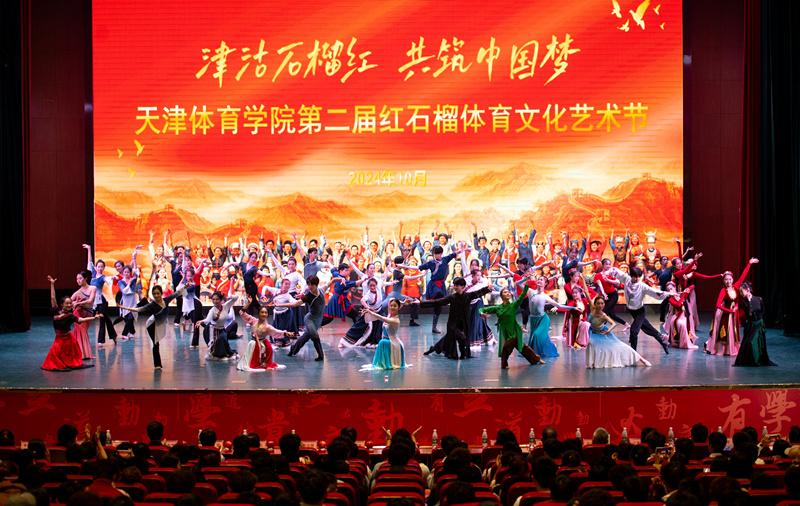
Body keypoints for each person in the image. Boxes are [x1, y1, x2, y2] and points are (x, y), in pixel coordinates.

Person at [581, 276, 651, 368]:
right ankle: (594, 362)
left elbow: (614, 323)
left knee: (619, 345)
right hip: (593, 332)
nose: (600, 305)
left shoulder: (603, 315)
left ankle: (642, 359)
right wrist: (582, 278)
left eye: (602, 303)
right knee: (591, 344)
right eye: (598, 303)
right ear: (595, 304)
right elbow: (586, 292)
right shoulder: (592, 308)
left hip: (603, 332)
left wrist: (608, 331)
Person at [119, 279, 186, 370]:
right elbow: (139, 309)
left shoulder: (166, 300)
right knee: (156, 343)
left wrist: (186, 286)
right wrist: (125, 308)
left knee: (157, 341)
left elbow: (177, 293)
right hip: (151, 324)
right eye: (154, 294)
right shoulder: (152, 304)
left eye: (158, 293)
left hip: (160, 322)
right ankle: (157, 365)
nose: (156, 295)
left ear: (161, 293)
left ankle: (142, 296)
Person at [422, 278, 491, 359]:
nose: (455, 287)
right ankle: (463, 354)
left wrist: (487, 289)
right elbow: (437, 302)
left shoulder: (467, 296)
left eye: (457, 285)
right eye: (454, 285)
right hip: (453, 324)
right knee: (461, 338)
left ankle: (434, 348)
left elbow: (478, 292)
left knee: (448, 337)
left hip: (463, 323)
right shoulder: (452, 297)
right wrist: (420, 303)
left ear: (462, 286)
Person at [42, 275, 101, 371]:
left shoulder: (70, 316)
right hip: (59, 339)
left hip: (68, 339)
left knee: (73, 351)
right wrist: (52, 284)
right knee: (54, 357)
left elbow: (81, 320)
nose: (69, 305)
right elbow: (53, 297)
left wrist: (93, 317)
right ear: (62, 304)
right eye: (67, 303)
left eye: (70, 303)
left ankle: (73, 363)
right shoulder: (56, 312)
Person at [480, 283, 545, 369]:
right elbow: (482, 309)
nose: (507, 293)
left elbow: (522, 296)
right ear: (501, 296)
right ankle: (536, 359)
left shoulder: (513, 305)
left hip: (514, 331)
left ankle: (504, 364)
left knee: (506, 347)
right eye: (505, 292)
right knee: (523, 348)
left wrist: (527, 283)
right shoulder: (498, 308)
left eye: (508, 292)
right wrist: (481, 313)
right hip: (505, 332)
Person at [611, 266, 674, 353]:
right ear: (631, 276)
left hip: (640, 311)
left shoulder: (642, 286)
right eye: (636, 277)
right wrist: (607, 271)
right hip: (632, 311)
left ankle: (633, 352)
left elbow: (655, 292)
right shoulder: (627, 279)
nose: (638, 279)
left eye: (639, 277)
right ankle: (664, 342)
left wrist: (669, 294)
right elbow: (616, 271)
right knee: (647, 329)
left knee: (634, 331)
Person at [281, 275, 344, 361]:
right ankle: (321, 355)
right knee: (314, 335)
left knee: (305, 337)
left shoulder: (322, 290)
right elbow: (294, 304)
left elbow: (333, 281)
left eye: (311, 285)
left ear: (316, 285)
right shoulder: (308, 296)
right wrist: (279, 305)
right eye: (308, 285)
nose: (310, 287)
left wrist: (342, 279)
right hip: (310, 319)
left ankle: (293, 350)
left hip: (318, 321)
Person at [707, 258, 758, 356]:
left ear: (732, 280)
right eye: (726, 279)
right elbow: (718, 305)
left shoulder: (736, 287)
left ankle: (730, 349)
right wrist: (729, 310)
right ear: (723, 280)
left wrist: (749, 264)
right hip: (724, 314)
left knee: (732, 332)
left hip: (732, 314)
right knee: (725, 331)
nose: (728, 281)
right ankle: (722, 350)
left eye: (730, 279)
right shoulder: (723, 291)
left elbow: (743, 276)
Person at [236, 296, 291, 371]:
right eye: (262, 312)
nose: (264, 314)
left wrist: (285, 333)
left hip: (263, 345)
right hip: (253, 344)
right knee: (247, 364)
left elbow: (276, 332)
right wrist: (248, 303)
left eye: (265, 313)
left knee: (261, 363)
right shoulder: (253, 321)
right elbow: (242, 313)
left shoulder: (268, 327)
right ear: (258, 313)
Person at [733, 282, 776, 367]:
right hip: (751, 325)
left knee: (759, 343)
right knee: (750, 342)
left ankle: (759, 360)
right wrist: (749, 302)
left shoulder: (759, 299)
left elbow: (762, 311)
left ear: (747, 290)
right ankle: (753, 361)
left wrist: (760, 321)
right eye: (740, 292)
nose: (740, 293)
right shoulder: (743, 303)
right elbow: (750, 314)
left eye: (742, 291)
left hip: (758, 324)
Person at [527, 276, 572, 357]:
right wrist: (526, 278)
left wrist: (573, 308)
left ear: (545, 283)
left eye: (541, 280)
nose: (539, 280)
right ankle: (552, 346)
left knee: (537, 335)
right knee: (541, 337)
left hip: (543, 319)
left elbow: (559, 305)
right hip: (533, 319)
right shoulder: (531, 291)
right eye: (538, 279)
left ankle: (536, 355)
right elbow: (518, 283)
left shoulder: (545, 296)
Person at [360, 299, 411, 370]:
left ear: (398, 308)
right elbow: (390, 299)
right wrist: (402, 303)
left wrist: (370, 312)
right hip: (387, 340)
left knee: (382, 342)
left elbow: (380, 317)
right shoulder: (390, 315)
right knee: (382, 341)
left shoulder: (395, 320)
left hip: (392, 342)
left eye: (395, 306)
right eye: (391, 306)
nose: (392, 307)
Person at [196, 289, 240, 361]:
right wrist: (201, 321)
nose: (215, 301)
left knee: (224, 341)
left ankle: (223, 354)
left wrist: (227, 298)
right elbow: (207, 319)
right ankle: (217, 355)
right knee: (218, 341)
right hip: (213, 330)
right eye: (213, 299)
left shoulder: (225, 306)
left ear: (221, 300)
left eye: (217, 299)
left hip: (222, 329)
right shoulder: (212, 310)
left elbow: (236, 297)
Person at [262, 278, 300, 345]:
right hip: (276, 313)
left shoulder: (288, 296)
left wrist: (301, 297)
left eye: (289, 284)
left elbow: (294, 302)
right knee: (276, 328)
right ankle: (276, 340)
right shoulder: (275, 291)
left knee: (282, 328)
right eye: (286, 284)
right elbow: (265, 287)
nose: (287, 285)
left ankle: (283, 342)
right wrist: (263, 294)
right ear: (282, 284)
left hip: (285, 314)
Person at [70, 269, 96, 360]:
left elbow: (90, 301)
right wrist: (73, 303)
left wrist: (78, 303)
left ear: (85, 278)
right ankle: (80, 354)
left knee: (83, 332)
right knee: (80, 331)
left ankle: (80, 353)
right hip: (78, 313)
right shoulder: (78, 292)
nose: (78, 281)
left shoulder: (92, 288)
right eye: (77, 279)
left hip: (88, 313)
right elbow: (69, 300)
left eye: (80, 278)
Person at [664, 283, 698, 349]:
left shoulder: (681, 294)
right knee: (682, 324)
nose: (671, 291)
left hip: (684, 316)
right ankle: (681, 343)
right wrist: (683, 295)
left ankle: (685, 342)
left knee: (686, 324)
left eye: (671, 289)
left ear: (675, 288)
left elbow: (693, 286)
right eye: (669, 290)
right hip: (677, 317)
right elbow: (678, 305)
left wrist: (686, 290)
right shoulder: (670, 299)